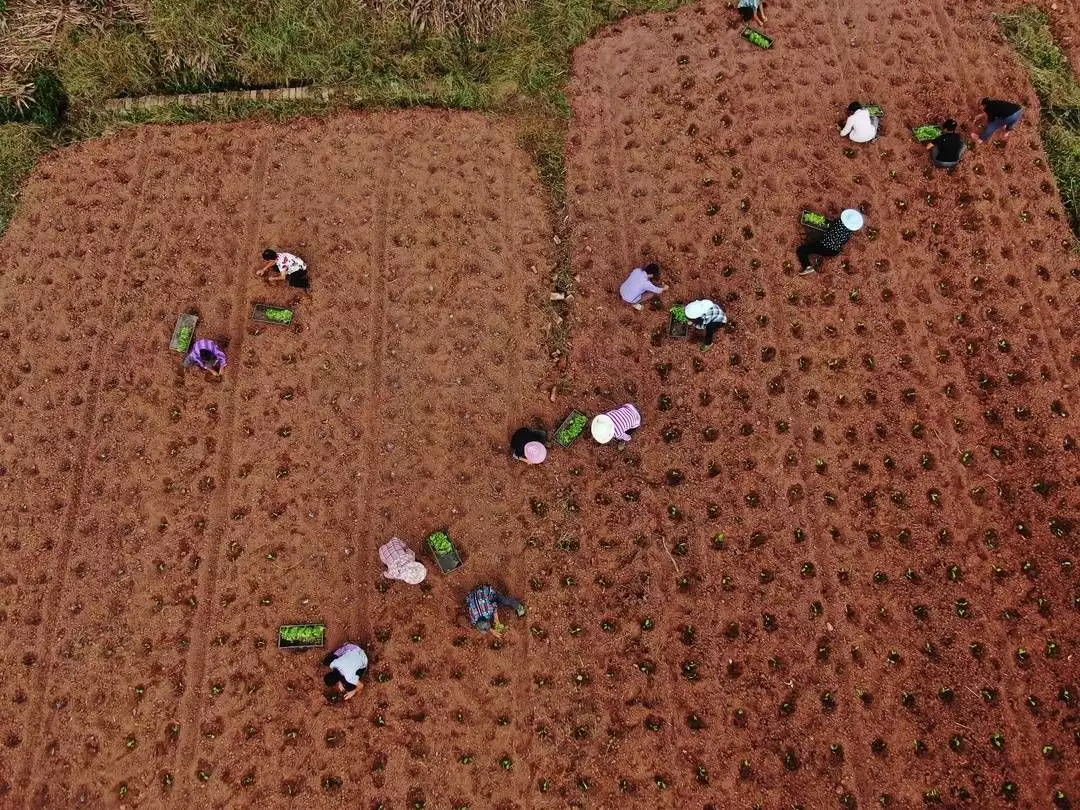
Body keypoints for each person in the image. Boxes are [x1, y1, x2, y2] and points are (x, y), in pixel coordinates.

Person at [797, 208, 864, 275]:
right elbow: (843, 242)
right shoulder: (849, 233)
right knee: (815, 245)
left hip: (824, 247)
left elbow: (829, 226)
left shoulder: (839, 223)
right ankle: (815, 255)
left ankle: (808, 266)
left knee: (801, 250)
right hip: (834, 252)